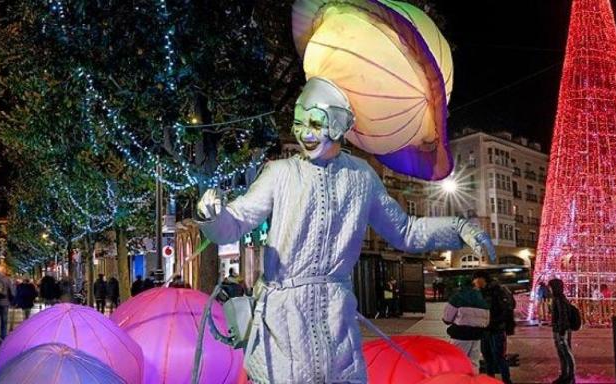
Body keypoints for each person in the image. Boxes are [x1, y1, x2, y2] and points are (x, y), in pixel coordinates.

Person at [195, 83, 494, 382]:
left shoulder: (362, 176)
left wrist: (459, 228)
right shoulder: (280, 173)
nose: (304, 133)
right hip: (281, 321)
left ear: (337, 126)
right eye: (299, 123)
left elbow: (405, 231)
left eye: (315, 123)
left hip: (336, 317)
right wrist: (212, 216)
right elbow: (235, 222)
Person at [442, 271, 490, 371]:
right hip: (477, 336)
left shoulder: (458, 297)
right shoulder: (481, 298)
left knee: (457, 362)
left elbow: (447, 318)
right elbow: (486, 321)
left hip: (460, 335)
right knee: (474, 363)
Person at [480, 274, 515, 383]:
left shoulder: (498, 291)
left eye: (476, 279)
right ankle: (491, 380)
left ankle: (506, 380)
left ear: (482, 279)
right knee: (488, 357)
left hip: (496, 328)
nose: (475, 282)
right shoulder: (484, 291)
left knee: (498, 357)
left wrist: (496, 321)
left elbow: (508, 308)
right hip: (486, 329)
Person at [549, 278, 575, 384]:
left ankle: (570, 375)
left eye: (550, 287)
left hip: (561, 331)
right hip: (559, 330)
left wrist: (561, 331)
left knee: (566, 353)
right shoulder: (558, 298)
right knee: (562, 353)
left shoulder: (559, 299)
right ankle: (565, 374)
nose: (549, 289)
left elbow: (562, 316)